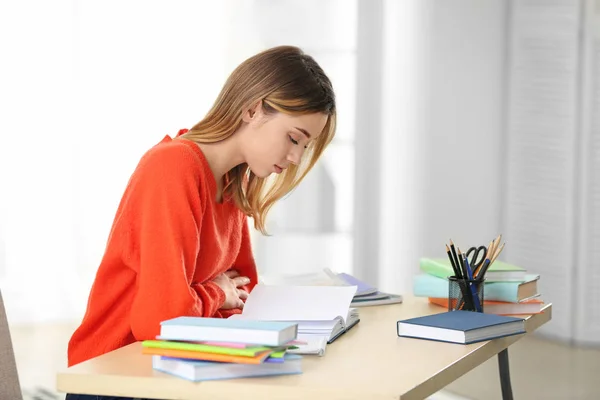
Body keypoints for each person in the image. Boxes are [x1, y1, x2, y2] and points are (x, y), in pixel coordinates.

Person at [65, 45, 336, 400]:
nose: (296, 158)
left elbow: (243, 294)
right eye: (294, 138)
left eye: (305, 146)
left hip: (178, 369)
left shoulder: (232, 182)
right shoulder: (173, 168)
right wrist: (215, 293)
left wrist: (220, 298)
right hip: (119, 378)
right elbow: (160, 319)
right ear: (253, 109)